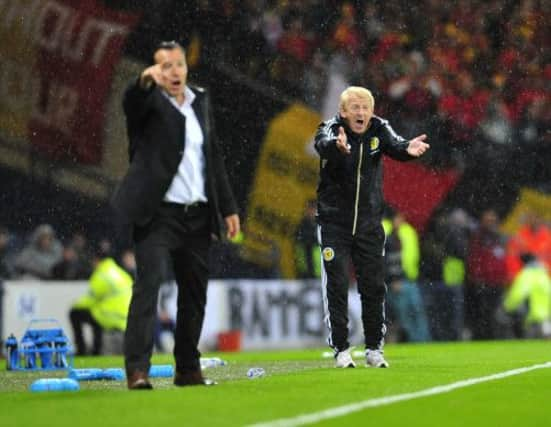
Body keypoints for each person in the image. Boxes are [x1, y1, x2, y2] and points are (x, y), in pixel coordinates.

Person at [111, 41, 240, 390]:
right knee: (148, 285)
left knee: (194, 292)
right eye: (165, 66)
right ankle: (138, 370)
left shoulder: (200, 101)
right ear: (154, 71)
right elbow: (130, 104)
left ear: (186, 67)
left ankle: (187, 368)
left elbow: (212, 158)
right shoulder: (147, 101)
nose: (174, 72)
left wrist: (227, 207)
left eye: (178, 64)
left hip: (197, 214)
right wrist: (141, 83)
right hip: (157, 214)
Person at [314, 86, 429, 368]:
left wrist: (408, 150)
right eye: (355, 107)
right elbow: (321, 142)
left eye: (366, 107)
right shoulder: (331, 129)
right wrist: (335, 146)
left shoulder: (379, 128)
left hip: (368, 225)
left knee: (374, 287)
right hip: (334, 224)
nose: (361, 112)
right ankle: (341, 349)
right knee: (338, 286)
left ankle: (374, 348)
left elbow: (397, 145)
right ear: (343, 112)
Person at [69, 246, 133, 356]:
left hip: (111, 316)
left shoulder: (101, 274)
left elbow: (90, 300)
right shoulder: (121, 273)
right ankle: (96, 350)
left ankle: (82, 350)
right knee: (95, 316)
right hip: (127, 317)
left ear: (96, 260)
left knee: (75, 313)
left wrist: (75, 305)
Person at [503, 253, 551, 339]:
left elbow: (517, 294)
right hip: (546, 319)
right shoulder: (544, 275)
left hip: (532, 319)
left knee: (530, 348)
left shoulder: (527, 275)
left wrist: (507, 307)